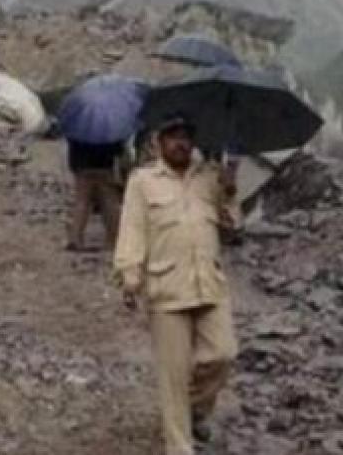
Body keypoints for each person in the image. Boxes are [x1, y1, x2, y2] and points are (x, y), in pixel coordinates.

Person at [113, 114, 240, 455]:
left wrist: (229, 192)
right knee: (173, 377)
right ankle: (179, 444)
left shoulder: (210, 177)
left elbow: (232, 230)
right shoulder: (143, 181)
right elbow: (133, 228)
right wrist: (129, 275)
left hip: (209, 283)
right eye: (173, 136)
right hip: (167, 288)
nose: (180, 143)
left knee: (223, 354)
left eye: (186, 136)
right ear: (158, 142)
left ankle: (194, 411)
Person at [65, 138, 123, 252]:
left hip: (82, 165)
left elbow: (71, 141)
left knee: (81, 201)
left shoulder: (78, 126)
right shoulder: (110, 128)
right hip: (104, 165)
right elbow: (118, 149)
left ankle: (75, 237)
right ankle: (114, 238)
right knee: (109, 202)